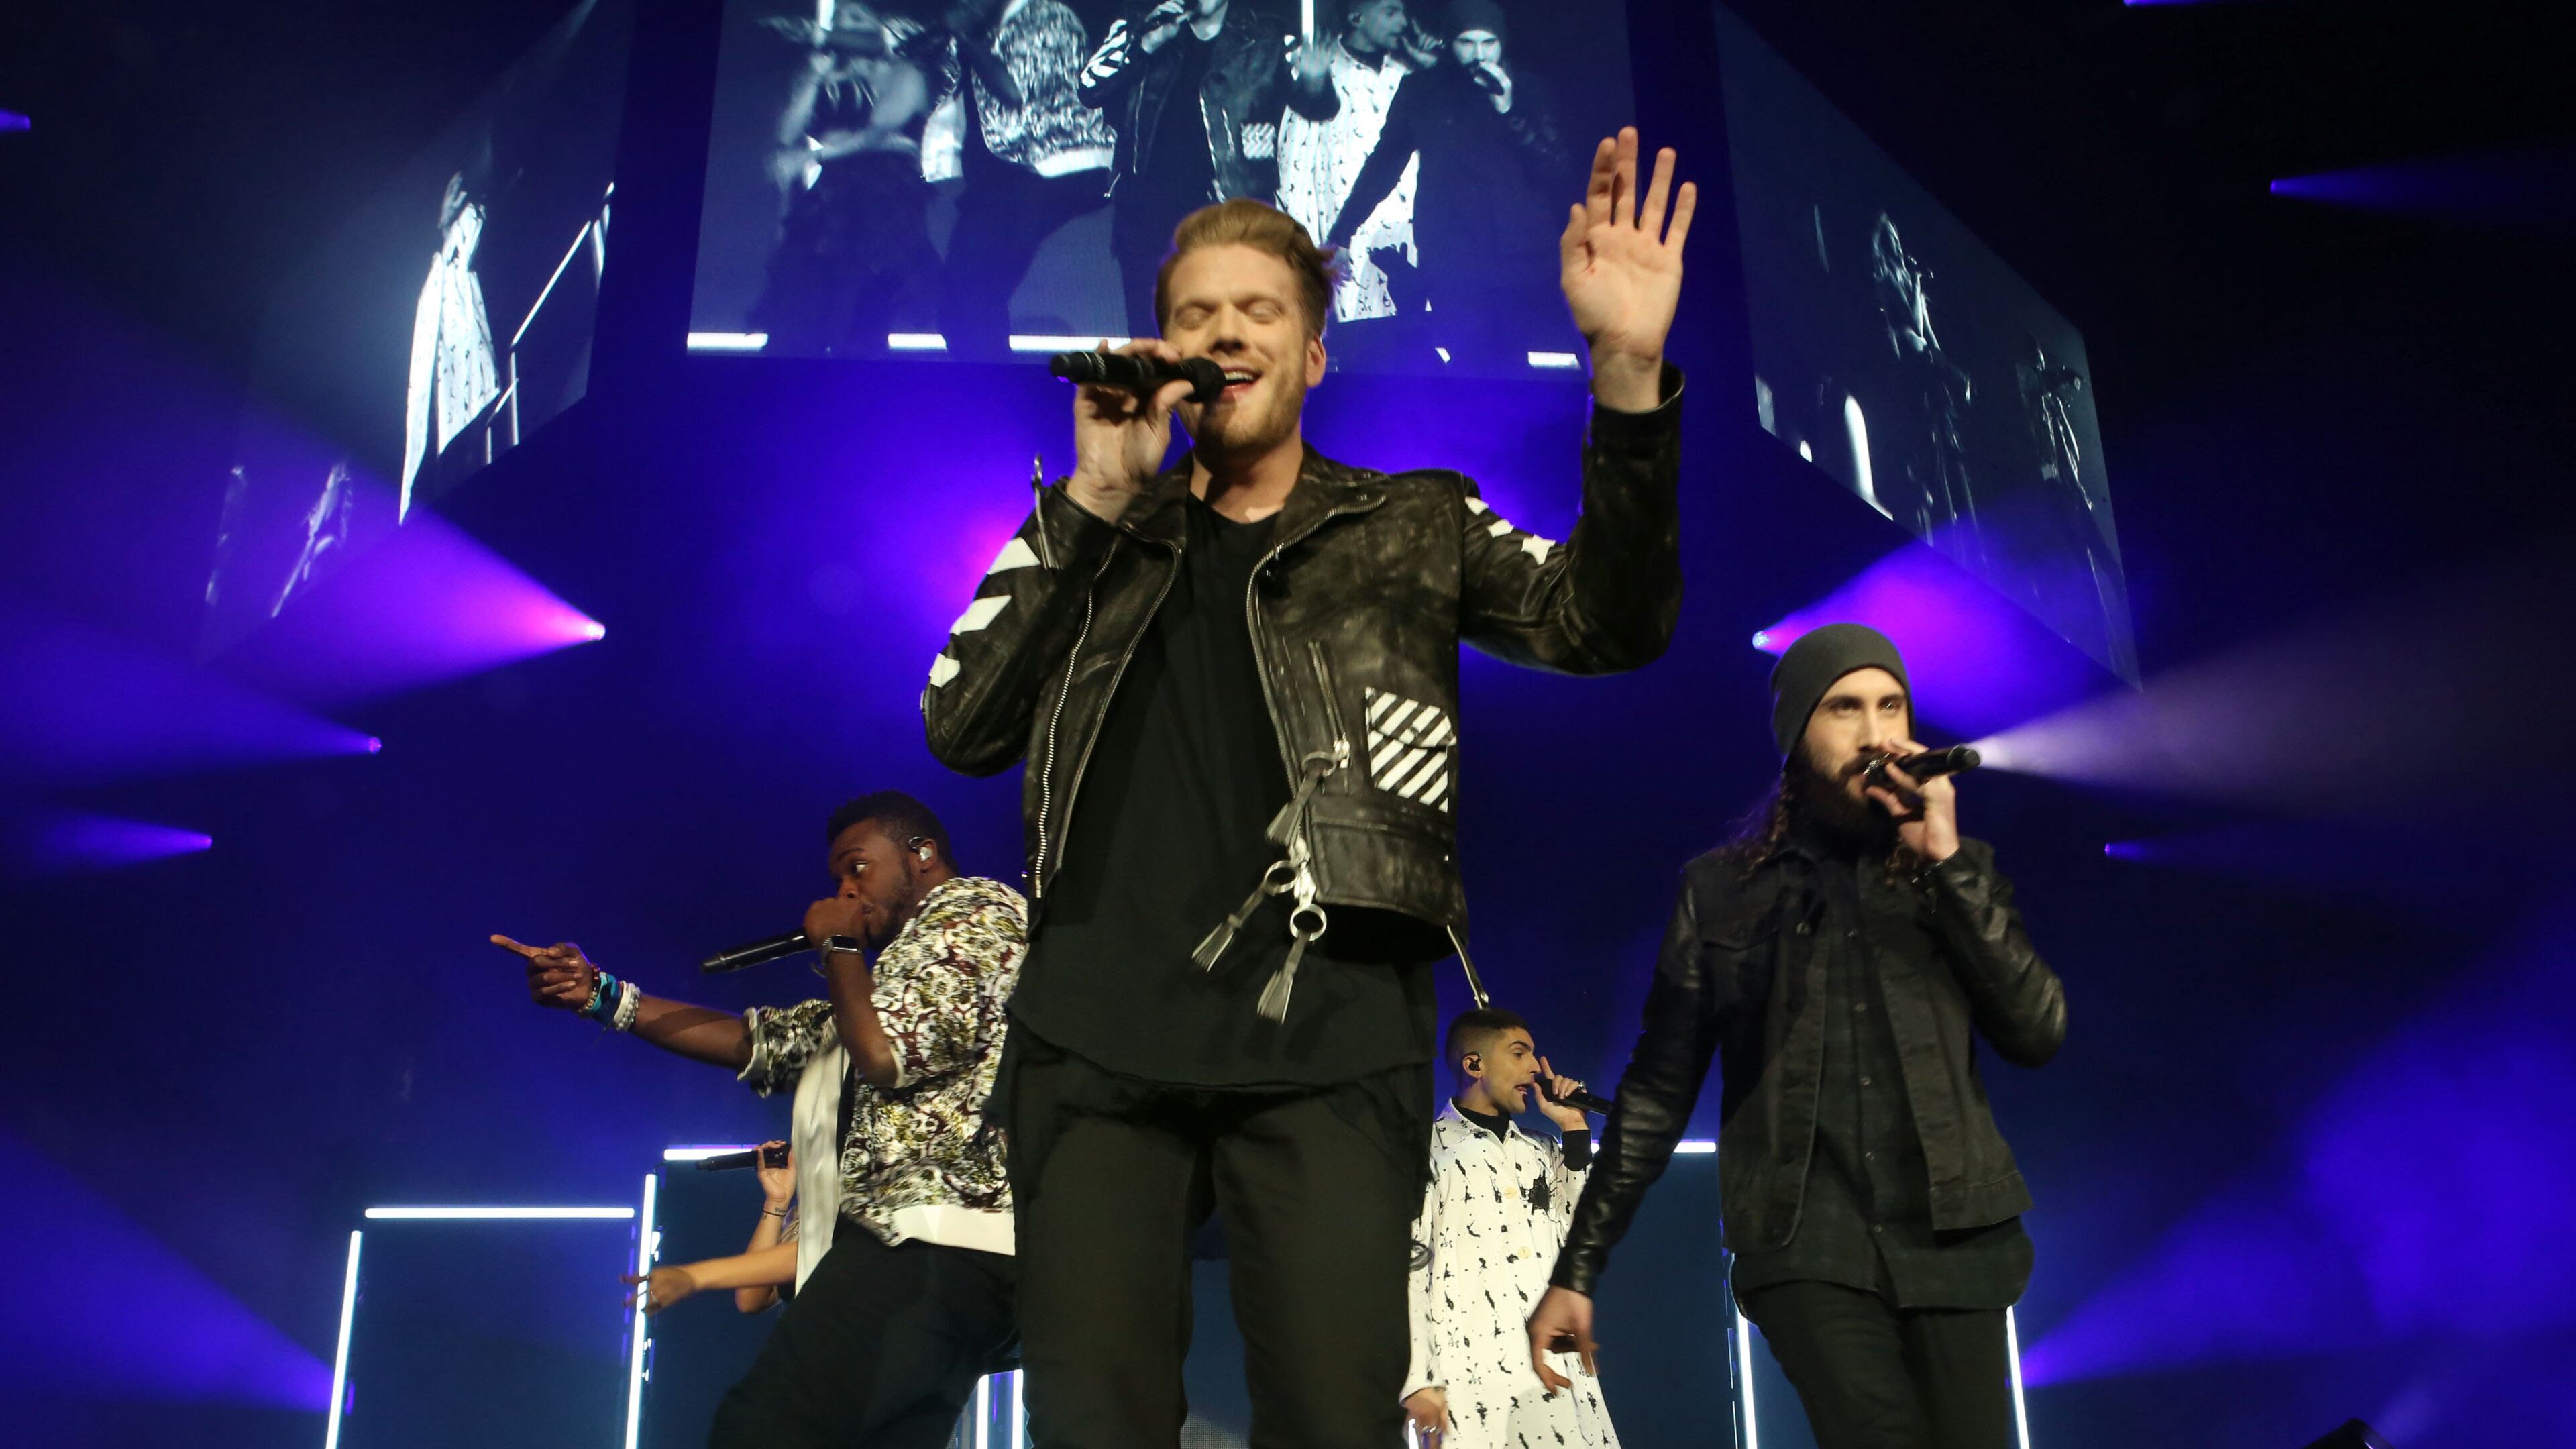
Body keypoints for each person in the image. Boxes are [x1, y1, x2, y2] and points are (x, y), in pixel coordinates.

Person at [921, 129, 1695, 1447]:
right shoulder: (1092, 535)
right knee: (1093, 1425)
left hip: (1331, 1040)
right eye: (1195, 314)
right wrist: (1097, 496)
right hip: (1096, 1043)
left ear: (1314, 351)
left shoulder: (1412, 524)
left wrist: (1625, 379)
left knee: (1336, 1422)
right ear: (1160, 346)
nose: (1225, 331)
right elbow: (962, 725)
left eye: (1257, 310)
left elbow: (1603, 624)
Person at [1529, 625, 2068, 1449]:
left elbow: (2036, 1033)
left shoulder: (1958, 871)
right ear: (1796, 736)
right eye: (1845, 708)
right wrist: (1578, 1268)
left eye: (1891, 706)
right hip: (1805, 1240)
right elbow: (1658, 1092)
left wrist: (1947, 866)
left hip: (1954, 1233)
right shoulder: (1721, 893)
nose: (1876, 733)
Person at [493, 790, 1026, 1449]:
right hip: (932, 1262)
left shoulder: (978, 914)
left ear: (922, 855)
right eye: (836, 877)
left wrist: (836, 945)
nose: (844, 888)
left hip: (924, 1248)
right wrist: (602, 996)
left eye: (858, 867)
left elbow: (886, 1054)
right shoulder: (897, 977)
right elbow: (767, 1042)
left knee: (761, 1432)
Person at [1404, 1010, 1619, 1449]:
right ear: (1474, 1065)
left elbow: (1582, 1239)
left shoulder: (1543, 1150)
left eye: (1534, 1055)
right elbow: (1407, 1269)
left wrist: (1575, 1129)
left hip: (1557, 1373)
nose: (1535, 1068)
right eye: (1519, 1054)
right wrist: (1417, 1381)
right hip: (1470, 1378)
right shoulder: (1425, 1151)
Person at [1327, 0, 1568, 370]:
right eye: (1466, 43)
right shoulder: (1422, 91)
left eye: (1488, 43)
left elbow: (1555, 168)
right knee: (1468, 359)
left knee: (1515, 363)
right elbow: (1384, 164)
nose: (1478, 55)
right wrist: (1342, 233)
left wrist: (1508, 109)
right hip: (1452, 254)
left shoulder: (1527, 89)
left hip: (1520, 255)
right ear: (1451, 42)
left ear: (1502, 42)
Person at [1077, 0, 1332, 335]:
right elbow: (1090, 88)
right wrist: (1147, 43)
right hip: (1146, 217)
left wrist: (1315, 81)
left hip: (1227, 214)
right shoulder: (1142, 28)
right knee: (1153, 340)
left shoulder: (1266, 37)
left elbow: (1316, 106)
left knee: (1218, 336)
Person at [926, 0, 1118, 360]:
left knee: (971, 296)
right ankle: (987, 388)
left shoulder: (1047, 16)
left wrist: (964, 36)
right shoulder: (991, 27)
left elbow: (1014, 92)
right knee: (960, 305)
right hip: (1004, 180)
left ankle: (993, 394)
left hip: (1052, 171)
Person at [747, 4, 940, 356]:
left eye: (855, 21)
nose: (841, 29)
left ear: (877, 28)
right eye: (837, 22)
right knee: (802, 309)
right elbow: (787, 132)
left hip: (883, 198)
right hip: (830, 200)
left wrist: (814, 155)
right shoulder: (823, 74)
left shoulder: (904, 73)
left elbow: (879, 133)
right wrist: (813, 79)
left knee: (861, 313)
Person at [1272, 0, 1440, 335]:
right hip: (1351, 244)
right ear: (1356, 16)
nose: (1403, 22)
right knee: (1367, 348)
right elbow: (1297, 168)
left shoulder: (1407, 76)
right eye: (1391, 12)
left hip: (1415, 238)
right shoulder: (1319, 73)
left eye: (1404, 12)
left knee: (1419, 341)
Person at [621, 1141, 803, 1318]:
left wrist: (693, 1276)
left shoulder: (830, 1219)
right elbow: (750, 1299)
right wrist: (776, 1202)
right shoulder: (801, 1216)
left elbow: (804, 1256)